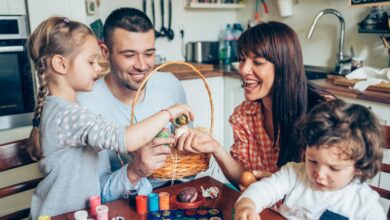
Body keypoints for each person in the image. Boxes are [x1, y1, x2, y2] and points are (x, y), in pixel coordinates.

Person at [26, 16, 193, 218]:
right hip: (62, 215)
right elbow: (125, 139)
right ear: (60, 64)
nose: (98, 67)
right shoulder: (70, 115)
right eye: (90, 61)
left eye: (149, 53)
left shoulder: (62, 110)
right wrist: (168, 113)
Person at [177, 21, 334, 187]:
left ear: (284, 67)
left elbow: (333, 182)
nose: (243, 70)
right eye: (242, 59)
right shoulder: (244, 114)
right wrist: (215, 148)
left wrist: (280, 187)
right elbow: (244, 177)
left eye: (257, 62)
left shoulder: (323, 112)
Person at [77, 7, 188, 200]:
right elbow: (97, 193)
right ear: (105, 52)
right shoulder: (85, 105)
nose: (142, 65)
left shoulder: (170, 84)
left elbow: (188, 163)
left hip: (174, 196)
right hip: (123, 203)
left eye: (149, 53)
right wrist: (135, 170)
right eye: (129, 55)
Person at [234, 99, 386, 220]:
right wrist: (247, 204)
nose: (319, 173)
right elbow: (264, 189)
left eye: (334, 168)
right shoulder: (294, 173)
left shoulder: (364, 205)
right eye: (312, 161)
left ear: (359, 168)